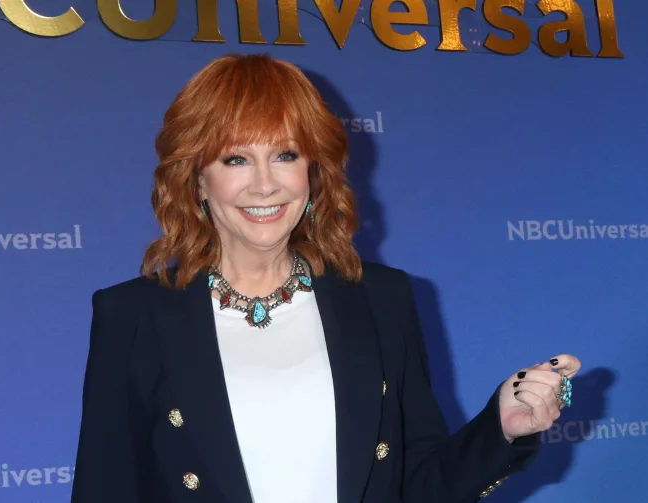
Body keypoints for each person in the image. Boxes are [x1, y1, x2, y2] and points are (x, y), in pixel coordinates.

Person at [70, 53, 581, 503]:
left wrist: (501, 429)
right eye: (236, 159)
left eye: (285, 155)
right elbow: (105, 488)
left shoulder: (382, 299)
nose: (265, 184)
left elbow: (421, 484)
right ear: (197, 178)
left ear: (314, 171)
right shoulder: (132, 316)